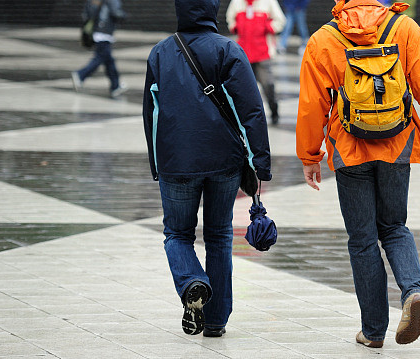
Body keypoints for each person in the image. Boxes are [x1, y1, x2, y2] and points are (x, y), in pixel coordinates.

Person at [296, 0, 420, 348]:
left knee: (362, 240)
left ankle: (374, 331)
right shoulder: (403, 28)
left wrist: (309, 155)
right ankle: (412, 292)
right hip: (397, 143)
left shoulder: (324, 39)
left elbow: (312, 105)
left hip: (349, 149)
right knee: (394, 227)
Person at [142, 0, 272, 338]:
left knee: (177, 234)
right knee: (219, 235)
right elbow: (252, 110)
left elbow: (150, 113)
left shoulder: (160, 53)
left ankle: (192, 282)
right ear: (213, 9)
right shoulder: (228, 49)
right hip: (224, 161)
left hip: (176, 162)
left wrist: (157, 164)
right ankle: (215, 320)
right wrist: (261, 162)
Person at [226, 0, 286, 125]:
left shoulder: (268, 2)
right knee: (243, 87)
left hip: (263, 52)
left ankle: (274, 111)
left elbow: (280, 20)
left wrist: (266, 27)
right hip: (243, 53)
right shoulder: (237, 2)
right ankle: (245, 116)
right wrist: (236, 27)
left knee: (268, 84)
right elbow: (230, 19)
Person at [71, 0, 127, 98]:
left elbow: (87, 13)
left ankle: (115, 86)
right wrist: (124, 15)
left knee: (109, 61)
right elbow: (115, 12)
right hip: (105, 33)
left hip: (99, 31)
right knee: (99, 59)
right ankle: (80, 75)